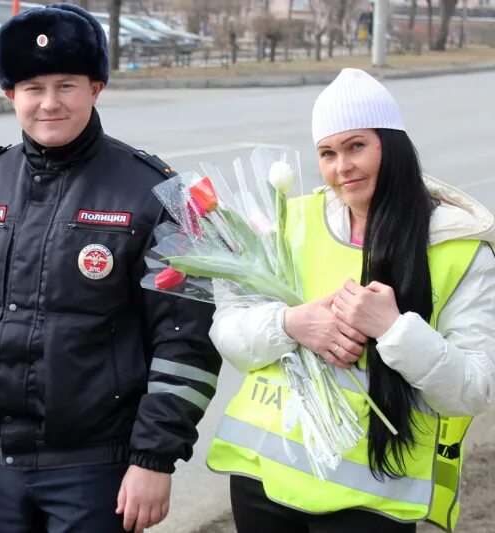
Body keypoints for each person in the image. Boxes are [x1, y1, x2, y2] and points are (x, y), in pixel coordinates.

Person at [0, 4, 220, 532]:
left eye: (67, 85)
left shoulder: (155, 192)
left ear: (97, 88)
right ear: (10, 95)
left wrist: (154, 458)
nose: (50, 103)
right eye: (33, 88)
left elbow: (186, 339)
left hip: (96, 467)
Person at [207, 68, 495, 532]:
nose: (342, 167)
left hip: (373, 495)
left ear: (392, 145)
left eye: (357, 146)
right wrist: (290, 323)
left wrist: (396, 330)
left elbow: (474, 390)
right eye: (327, 153)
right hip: (265, 480)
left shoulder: (458, 248)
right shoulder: (288, 223)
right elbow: (229, 334)